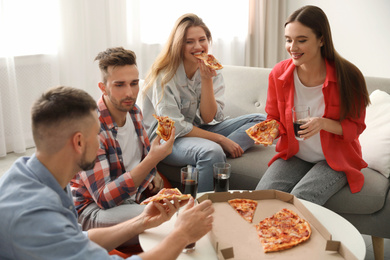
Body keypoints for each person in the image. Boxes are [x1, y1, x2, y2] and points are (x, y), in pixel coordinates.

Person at [0, 86, 214, 260]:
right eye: (97, 135)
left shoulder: (36, 173)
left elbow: (79, 239)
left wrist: (141, 222)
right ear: (79, 141)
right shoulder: (35, 217)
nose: (100, 141)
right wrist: (182, 234)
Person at [255, 5, 370, 205]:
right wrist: (267, 131)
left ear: (321, 40)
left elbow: (355, 127)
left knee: (301, 201)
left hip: (335, 160)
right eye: (288, 40)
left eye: (302, 40)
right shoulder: (278, 74)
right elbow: (273, 118)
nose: (293, 47)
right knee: (262, 198)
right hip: (295, 155)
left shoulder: (349, 77)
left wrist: (323, 123)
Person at [142, 13, 266, 192]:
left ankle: (210, 156)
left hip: (198, 130)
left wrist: (207, 80)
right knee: (211, 151)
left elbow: (208, 118)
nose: (198, 46)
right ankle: (201, 206)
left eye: (202, 39)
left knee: (261, 121)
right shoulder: (165, 75)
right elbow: (174, 127)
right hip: (168, 139)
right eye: (189, 41)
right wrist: (220, 139)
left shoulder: (211, 70)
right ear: (179, 45)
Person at [71, 47, 174, 232]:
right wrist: (152, 160)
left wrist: (153, 170)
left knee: (184, 208)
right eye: (119, 85)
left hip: (132, 196)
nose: (130, 93)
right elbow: (104, 198)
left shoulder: (134, 111)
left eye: (134, 83)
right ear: (103, 88)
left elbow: (141, 154)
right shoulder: (90, 129)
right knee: (165, 221)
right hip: (93, 210)